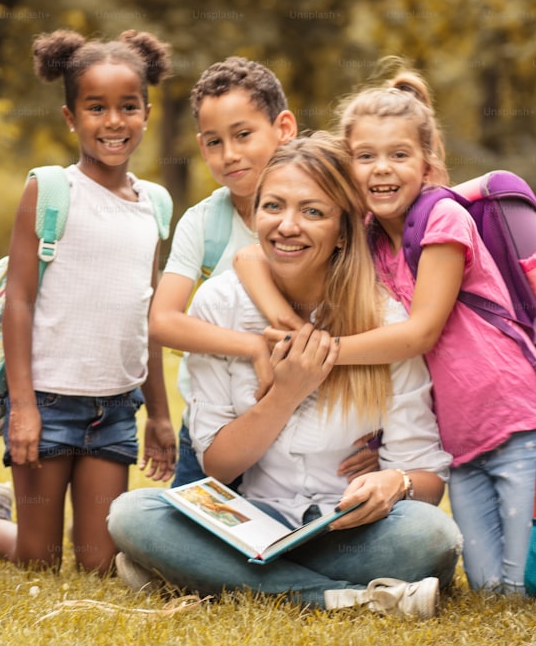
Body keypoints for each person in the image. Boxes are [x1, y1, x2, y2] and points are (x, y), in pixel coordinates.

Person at [234, 58, 536, 594]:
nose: (381, 169)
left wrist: (315, 352)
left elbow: (418, 335)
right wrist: (283, 322)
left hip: (514, 416)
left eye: (398, 155)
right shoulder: (365, 233)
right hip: (458, 438)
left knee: (523, 588)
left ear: (428, 161)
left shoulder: (443, 218)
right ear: (348, 167)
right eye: (365, 156)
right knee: (485, 587)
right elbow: (250, 257)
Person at [108, 135, 461, 618]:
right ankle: (343, 599)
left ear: (343, 229)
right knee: (133, 514)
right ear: (255, 216)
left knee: (432, 536)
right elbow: (218, 466)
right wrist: (286, 393)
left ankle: (211, 575)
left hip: (347, 531)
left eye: (313, 212)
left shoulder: (385, 320)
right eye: (273, 206)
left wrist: (393, 484)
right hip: (256, 523)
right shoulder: (221, 304)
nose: (287, 226)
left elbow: (426, 480)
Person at [150, 56, 379, 489]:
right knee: (185, 525)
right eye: (214, 142)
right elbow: (162, 321)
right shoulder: (205, 222)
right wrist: (255, 347)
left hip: (323, 418)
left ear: (285, 128)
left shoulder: (334, 211)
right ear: (201, 147)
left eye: (243, 135)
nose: (230, 154)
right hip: (221, 416)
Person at [0, 29, 177, 574]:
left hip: (115, 409)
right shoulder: (52, 190)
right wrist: (24, 407)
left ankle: (23, 517)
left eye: (128, 107)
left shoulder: (155, 205)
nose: (114, 122)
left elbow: (146, 317)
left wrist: (161, 416)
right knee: (38, 559)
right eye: (96, 108)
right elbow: (19, 301)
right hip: (49, 402)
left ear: (146, 112)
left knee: (99, 564)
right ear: (71, 117)